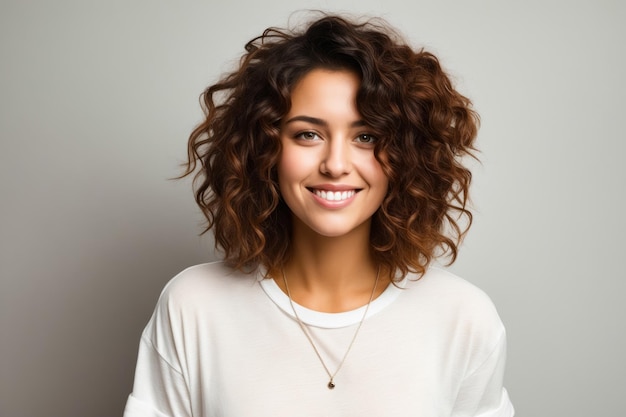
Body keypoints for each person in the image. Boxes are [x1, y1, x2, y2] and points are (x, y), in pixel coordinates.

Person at [123, 13, 514, 417]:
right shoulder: (194, 306)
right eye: (308, 134)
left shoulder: (463, 317)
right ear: (265, 148)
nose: (335, 164)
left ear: (406, 156)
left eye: (366, 137)